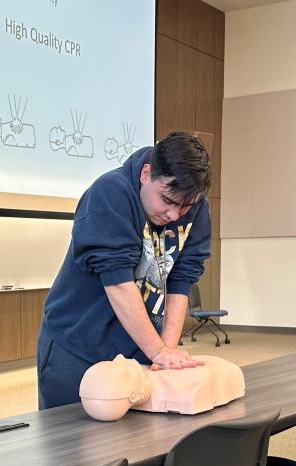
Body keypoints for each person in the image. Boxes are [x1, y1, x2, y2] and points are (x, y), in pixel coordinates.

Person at [37, 132, 212, 410]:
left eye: (185, 205)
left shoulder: (195, 207)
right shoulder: (110, 194)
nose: (174, 215)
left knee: (137, 446)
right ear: (146, 174)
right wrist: (158, 351)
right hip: (79, 347)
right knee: (70, 446)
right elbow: (118, 282)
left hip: (138, 349)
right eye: (167, 200)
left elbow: (182, 280)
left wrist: (164, 353)